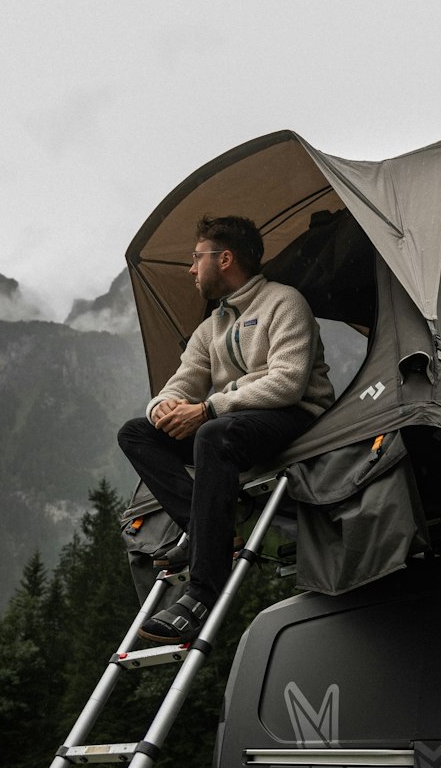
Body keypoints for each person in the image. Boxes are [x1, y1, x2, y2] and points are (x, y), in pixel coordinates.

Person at [118, 214, 333, 644]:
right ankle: (205, 531)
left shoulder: (284, 302)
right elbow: (178, 386)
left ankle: (202, 594)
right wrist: (164, 409)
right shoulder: (209, 328)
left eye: (197, 258)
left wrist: (208, 409)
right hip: (234, 424)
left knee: (211, 434)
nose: (192, 269)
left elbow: (287, 383)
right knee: (136, 433)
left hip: (296, 418)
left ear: (226, 258)